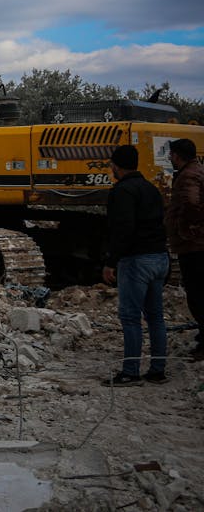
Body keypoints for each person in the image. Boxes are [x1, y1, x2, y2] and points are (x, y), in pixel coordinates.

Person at [103, 144, 169, 385]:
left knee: (130, 317)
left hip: (136, 260)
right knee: (156, 317)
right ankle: (157, 369)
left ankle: (130, 371)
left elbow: (123, 230)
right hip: (159, 257)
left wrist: (111, 261)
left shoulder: (122, 192)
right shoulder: (151, 189)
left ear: (116, 166)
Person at [166, 138, 204, 361]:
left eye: (171, 154)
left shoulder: (188, 176)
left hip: (194, 245)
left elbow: (191, 203)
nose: (169, 158)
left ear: (178, 155)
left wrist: (184, 229)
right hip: (196, 243)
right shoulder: (197, 170)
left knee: (198, 294)